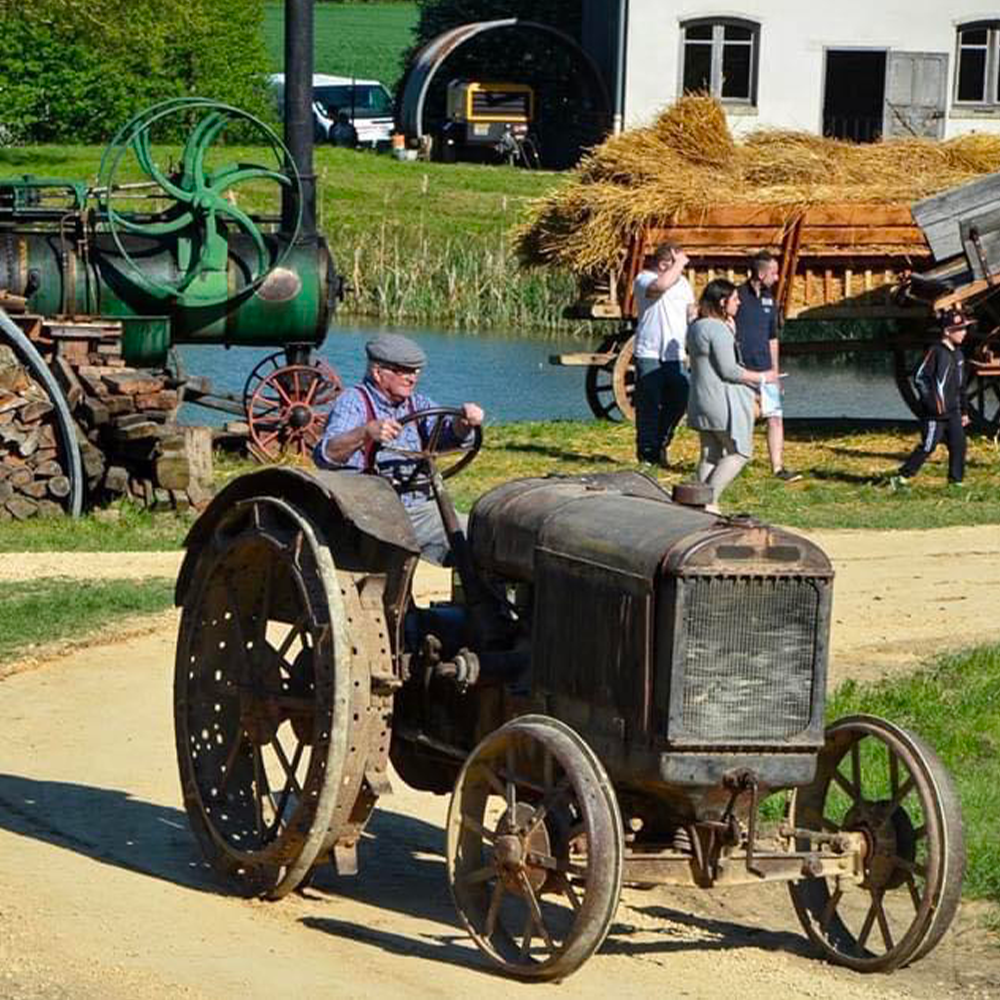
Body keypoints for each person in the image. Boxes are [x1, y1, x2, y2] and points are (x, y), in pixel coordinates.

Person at [314, 333, 484, 564]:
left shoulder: (418, 404)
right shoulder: (353, 402)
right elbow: (326, 455)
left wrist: (462, 424)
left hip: (420, 506)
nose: (412, 378)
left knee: (484, 533)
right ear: (378, 373)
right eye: (404, 371)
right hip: (373, 512)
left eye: (415, 371)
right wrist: (365, 432)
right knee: (469, 539)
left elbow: (445, 433)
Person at [687, 279, 778, 509]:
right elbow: (729, 370)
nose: (739, 303)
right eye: (735, 299)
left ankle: (695, 503)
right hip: (720, 401)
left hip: (701, 399)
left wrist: (731, 331)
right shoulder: (717, 329)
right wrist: (763, 377)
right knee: (739, 453)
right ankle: (710, 501)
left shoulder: (697, 326)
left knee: (710, 454)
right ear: (722, 302)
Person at [735, 250, 801, 483]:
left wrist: (775, 371)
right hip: (743, 370)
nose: (776, 277)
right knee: (743, 418)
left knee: (775, 417)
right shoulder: (737, 296)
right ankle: (735, 462)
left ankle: (778, 467)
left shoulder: (769, 299)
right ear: (761, 273)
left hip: (766, 370)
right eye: (773, 272)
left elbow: (772, 338)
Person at [631, 241, 697, 467]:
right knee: (648, 403)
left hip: (675, 354)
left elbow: (690, 311)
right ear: (662, 264)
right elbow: (660, 287)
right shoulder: (644, 279)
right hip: (649, 352)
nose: (681, 268)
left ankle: (662, 443)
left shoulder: (683, 283)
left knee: (680, 400)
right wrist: (678, 264)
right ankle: (647, 452)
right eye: (675, 263)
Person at [893, 309, 972, 487]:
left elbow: (961, 387)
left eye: (965, 328)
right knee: (928, 446)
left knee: (959, 444)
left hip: (953, 413)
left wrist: (965, 412)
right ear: (947, 331)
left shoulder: (959, 355)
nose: (964, 333)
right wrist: (932, 404)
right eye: (960, 329)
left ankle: (955, 481)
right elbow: (919, 377)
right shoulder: (936, 352)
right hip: (935, 414)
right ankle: (902, 477)